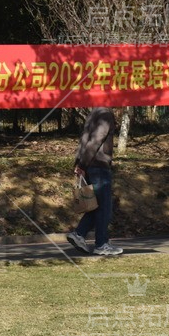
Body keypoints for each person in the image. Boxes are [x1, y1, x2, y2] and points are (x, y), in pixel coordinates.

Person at [66, 107, 122, 256]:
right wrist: (82, 164)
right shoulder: (105, 114)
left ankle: (79, 234)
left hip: (89, 165)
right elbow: (96, 140)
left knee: (96, 207)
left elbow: (84, 140)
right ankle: (101, 244)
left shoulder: (93, 113)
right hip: (99, 166)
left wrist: (79, 163)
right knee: (104, 208)